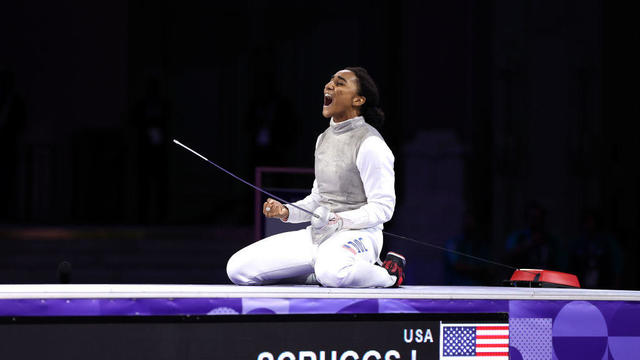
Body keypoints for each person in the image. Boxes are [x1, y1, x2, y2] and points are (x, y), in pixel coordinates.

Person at [226, 67, 405, 288]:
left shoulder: (371, 143)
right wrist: (286, 211)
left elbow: (383, 208)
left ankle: (389, 276)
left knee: (334, 272)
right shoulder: (323, 139)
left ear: (358, 99)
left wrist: (340, 220)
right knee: (239, 269)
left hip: (359, 236)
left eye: (340, 83)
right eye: (330, 81)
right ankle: (318, 274)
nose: (329, 86)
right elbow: (318, 199)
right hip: (319, 236)